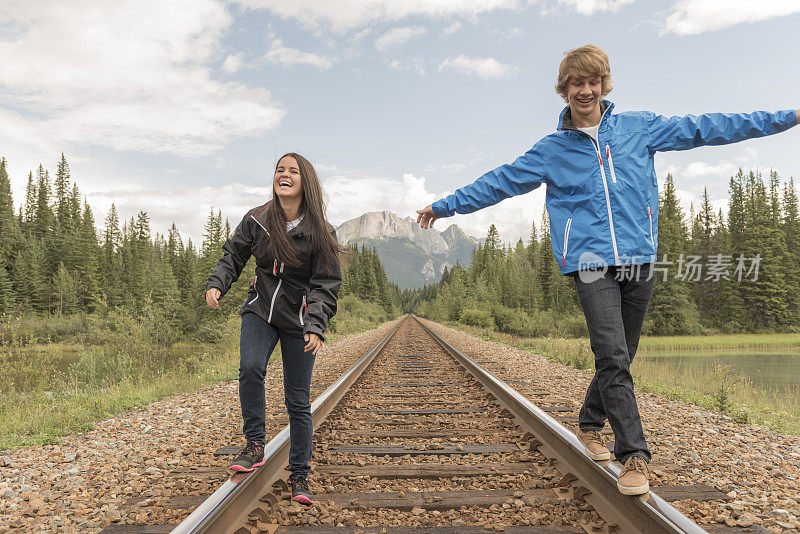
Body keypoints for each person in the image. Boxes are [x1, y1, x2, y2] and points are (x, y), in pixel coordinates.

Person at [417, 45, 798, 496]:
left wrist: (790, 116)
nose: (585, 90)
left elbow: (709, 127)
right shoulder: (552, 150)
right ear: (564, 91)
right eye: (576, 83)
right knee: (612, 353)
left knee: (624, 351)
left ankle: (588, 421)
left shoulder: (639, 128)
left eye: (592, 81)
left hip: (639, 258)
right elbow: (499, 181)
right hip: (590, 263)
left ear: (603, 84)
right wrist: (446, 206)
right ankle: (633, 455)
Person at [206, 153, 342, 505]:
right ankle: (254, 445)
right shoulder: (257, 219)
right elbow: (233, 255)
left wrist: (315, 324)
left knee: (297, 400)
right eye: (280, 170)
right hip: (260, 309)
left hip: (299, 319)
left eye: (293, 171)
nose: (284, 174)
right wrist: (218, 282)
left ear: (305, 182)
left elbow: (325, 283)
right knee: (250, 368)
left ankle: (300, 476)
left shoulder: (321, 232)